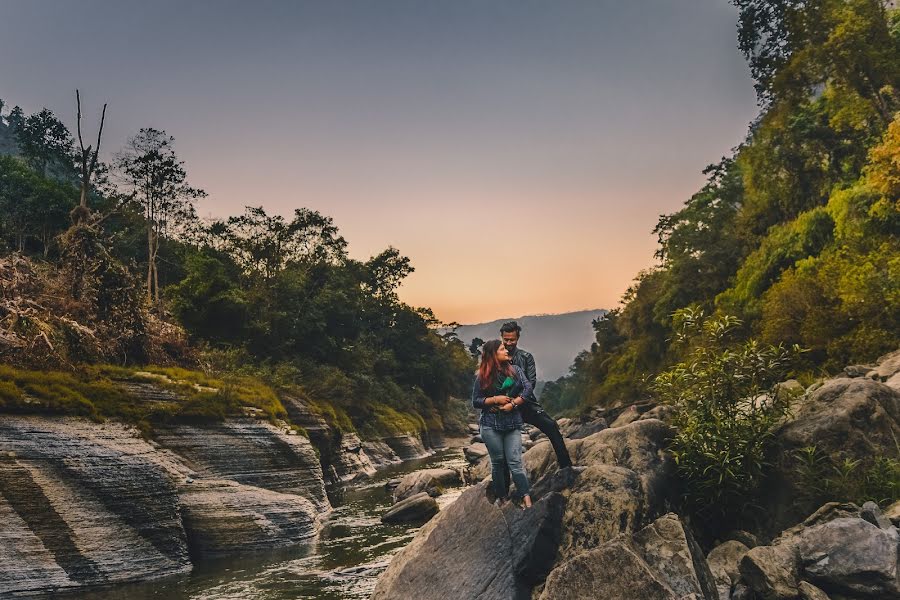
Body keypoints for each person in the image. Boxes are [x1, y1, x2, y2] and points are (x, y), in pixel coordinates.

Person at [500, 321, 573, 471]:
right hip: (503, 406)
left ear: (517, 338)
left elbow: (531, 383)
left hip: (525, 403)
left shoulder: (526, 357)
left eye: (511, 340)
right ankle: (502, 486)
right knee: (502, 444)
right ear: (501, 337)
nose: (508, 343)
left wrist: (515, 401)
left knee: (552, 427)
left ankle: (566, 468)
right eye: (505, 339)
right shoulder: (497, 358)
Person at [472, 339, 533, 508]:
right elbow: (476, 401)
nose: (506, 351)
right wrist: (494, 399)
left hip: (512, 423)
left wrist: (512, 404)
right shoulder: (482, 376)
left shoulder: (516, 371)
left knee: (515, 462)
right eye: (501, 349)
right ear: (493, 355)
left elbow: (527, 389)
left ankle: (527, 498)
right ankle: (503, 498)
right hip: (490, 425)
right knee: (498, 462)